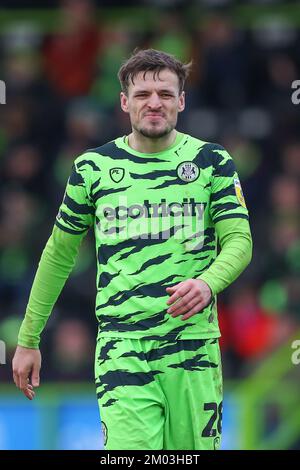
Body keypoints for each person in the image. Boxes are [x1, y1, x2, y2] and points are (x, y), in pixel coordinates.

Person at [12, 49, 252, 450]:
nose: (153, 103)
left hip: (193, 346)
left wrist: (208, 283)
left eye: (164, 93)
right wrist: (28, 337)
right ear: (124, 102)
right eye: (142, 94)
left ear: (182, 100)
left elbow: (240, 241)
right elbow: (58, 254)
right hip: (123, 348)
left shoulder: (211, 162)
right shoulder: (93, 168)